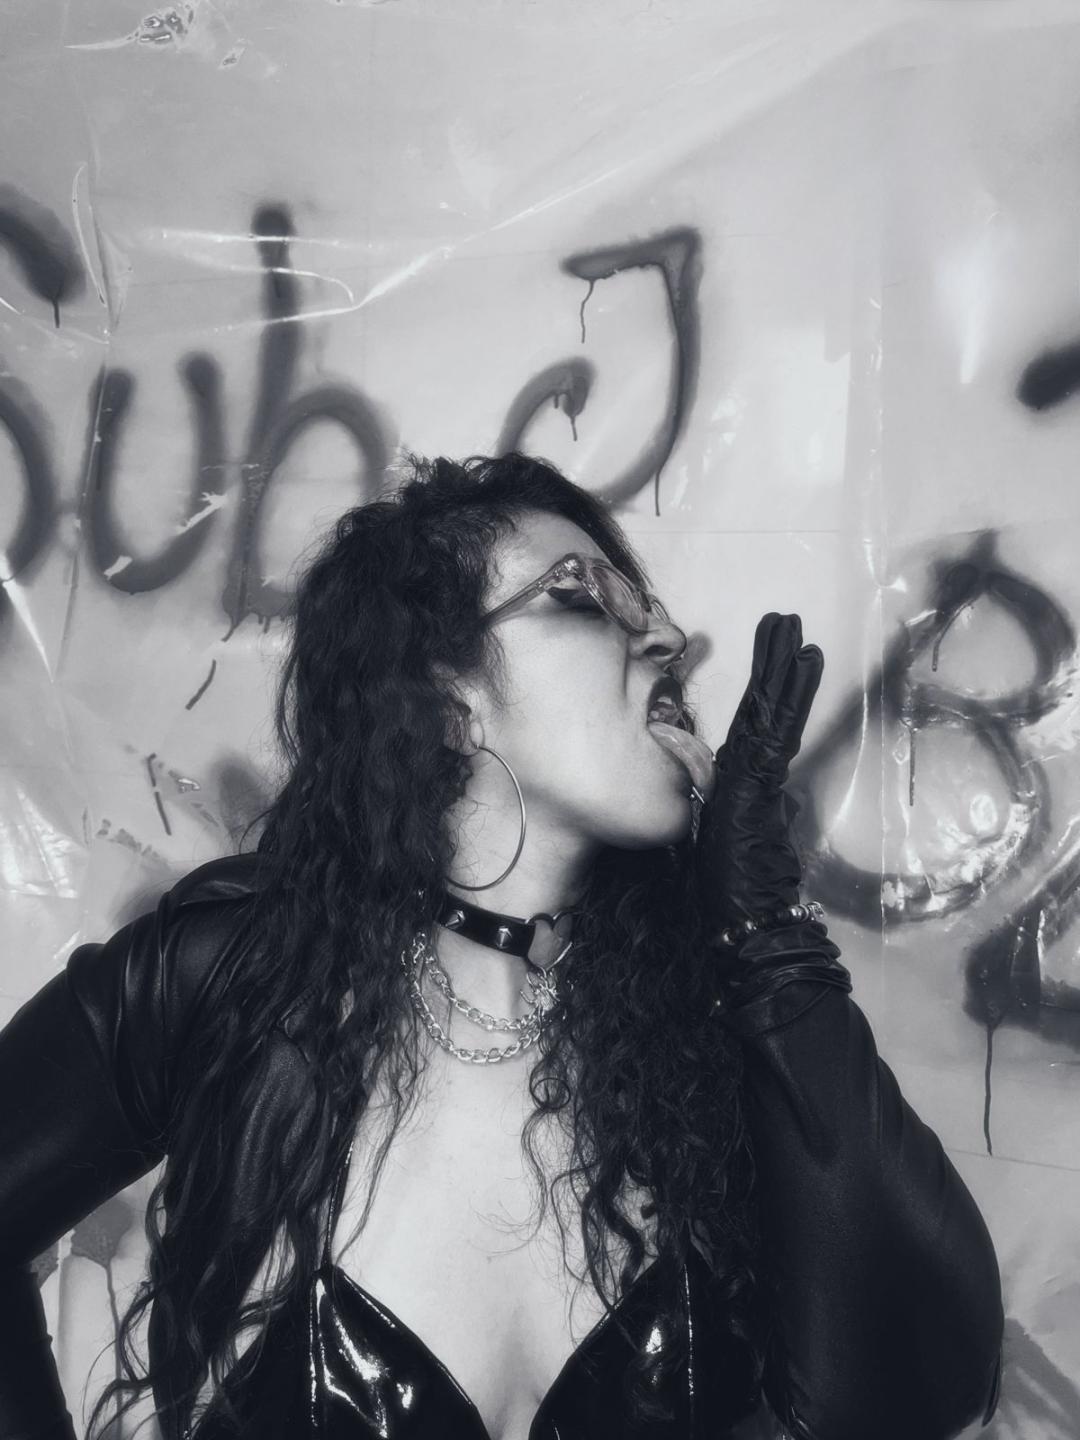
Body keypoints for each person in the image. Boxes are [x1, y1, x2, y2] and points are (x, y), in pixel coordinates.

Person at [0, 453, 1003, 1440]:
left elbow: (922, 1393)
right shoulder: (233, 979)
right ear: (448, 697)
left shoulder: (705, 1039)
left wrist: (766, 938)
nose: (664, 636)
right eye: (580, 595)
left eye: (646, 604)